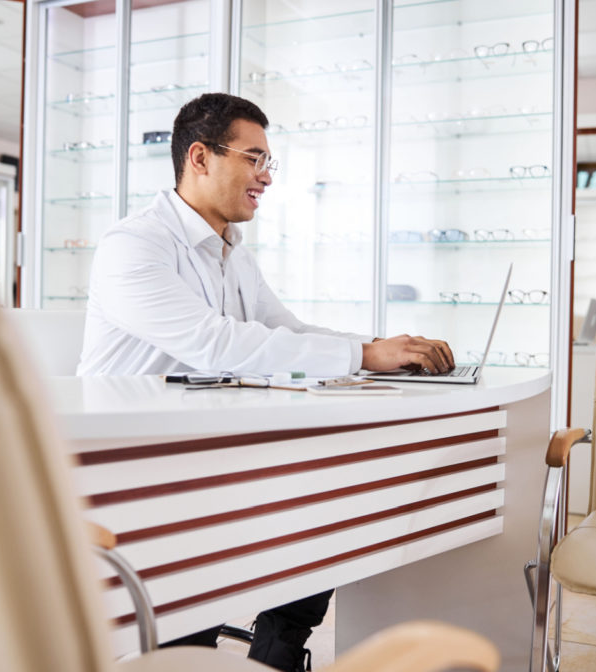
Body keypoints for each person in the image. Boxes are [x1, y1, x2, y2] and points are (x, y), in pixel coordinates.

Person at [78, 92, 455, 671]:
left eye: (268, 162)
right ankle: (188, 653)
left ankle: (277, 653)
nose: (267, 177)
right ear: (200, 157)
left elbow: (287, 330)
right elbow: (217, 343)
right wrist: (363, 353)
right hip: (130, 468)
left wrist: (383, 351)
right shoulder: (135, 245)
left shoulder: (233, 252)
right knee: (214, 559)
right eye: (254, 159)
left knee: (333, 497)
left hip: (198, 449)